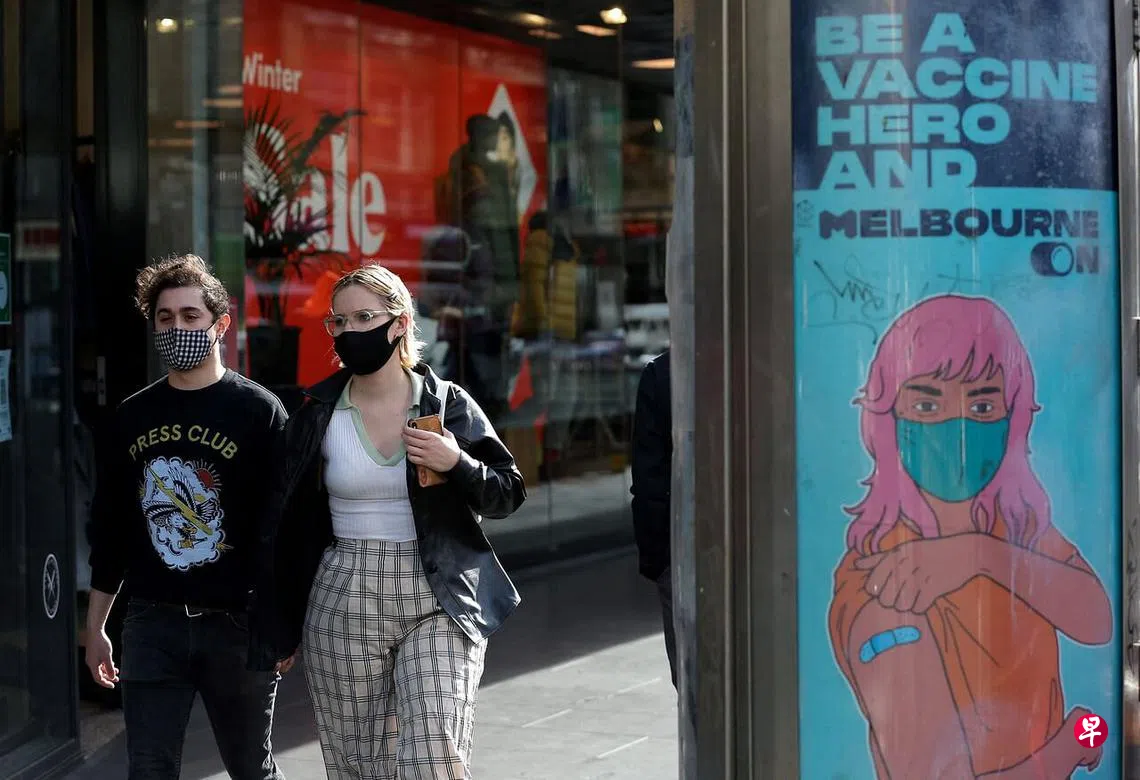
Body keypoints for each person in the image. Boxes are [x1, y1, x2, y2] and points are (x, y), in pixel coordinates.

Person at [252, 263, 526, 779]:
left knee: (432, 759)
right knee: (358, 764)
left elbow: (507, 492)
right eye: (339, 322)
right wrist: (278, 624)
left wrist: (456, 462)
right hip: (344, 590)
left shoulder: (446, 404)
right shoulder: (316, 411)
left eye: (364, 318)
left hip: (438, 591)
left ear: (399, 323)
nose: (349, 331)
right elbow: (284, 525)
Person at [828, 294, 1110, 778]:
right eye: (926, 404)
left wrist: (979, 555)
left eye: (982, 405)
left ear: (1012, 418)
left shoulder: (1009, 529)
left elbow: (1097, 621)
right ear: (887, 421)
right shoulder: (883, 579)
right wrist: (1073, 744)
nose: (955, 429)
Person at [84, 254, 289, 779]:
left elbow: (281, 530)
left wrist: (280, 625)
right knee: (148, 769)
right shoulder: (133, 416)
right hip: (152, 623)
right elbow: (111, 529)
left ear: (221, 324)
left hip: (236, 625)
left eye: (191, 316)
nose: (178, 328)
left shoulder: (259, 412)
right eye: (166, 318)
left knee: (251, 768)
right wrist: (96, 626)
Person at [630, 349, 675, 686]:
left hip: (680, 549)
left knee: (691, 676)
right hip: (679, 550)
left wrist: (658, 561)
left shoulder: (662, 372)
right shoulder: (663, 374)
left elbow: (649, 479)